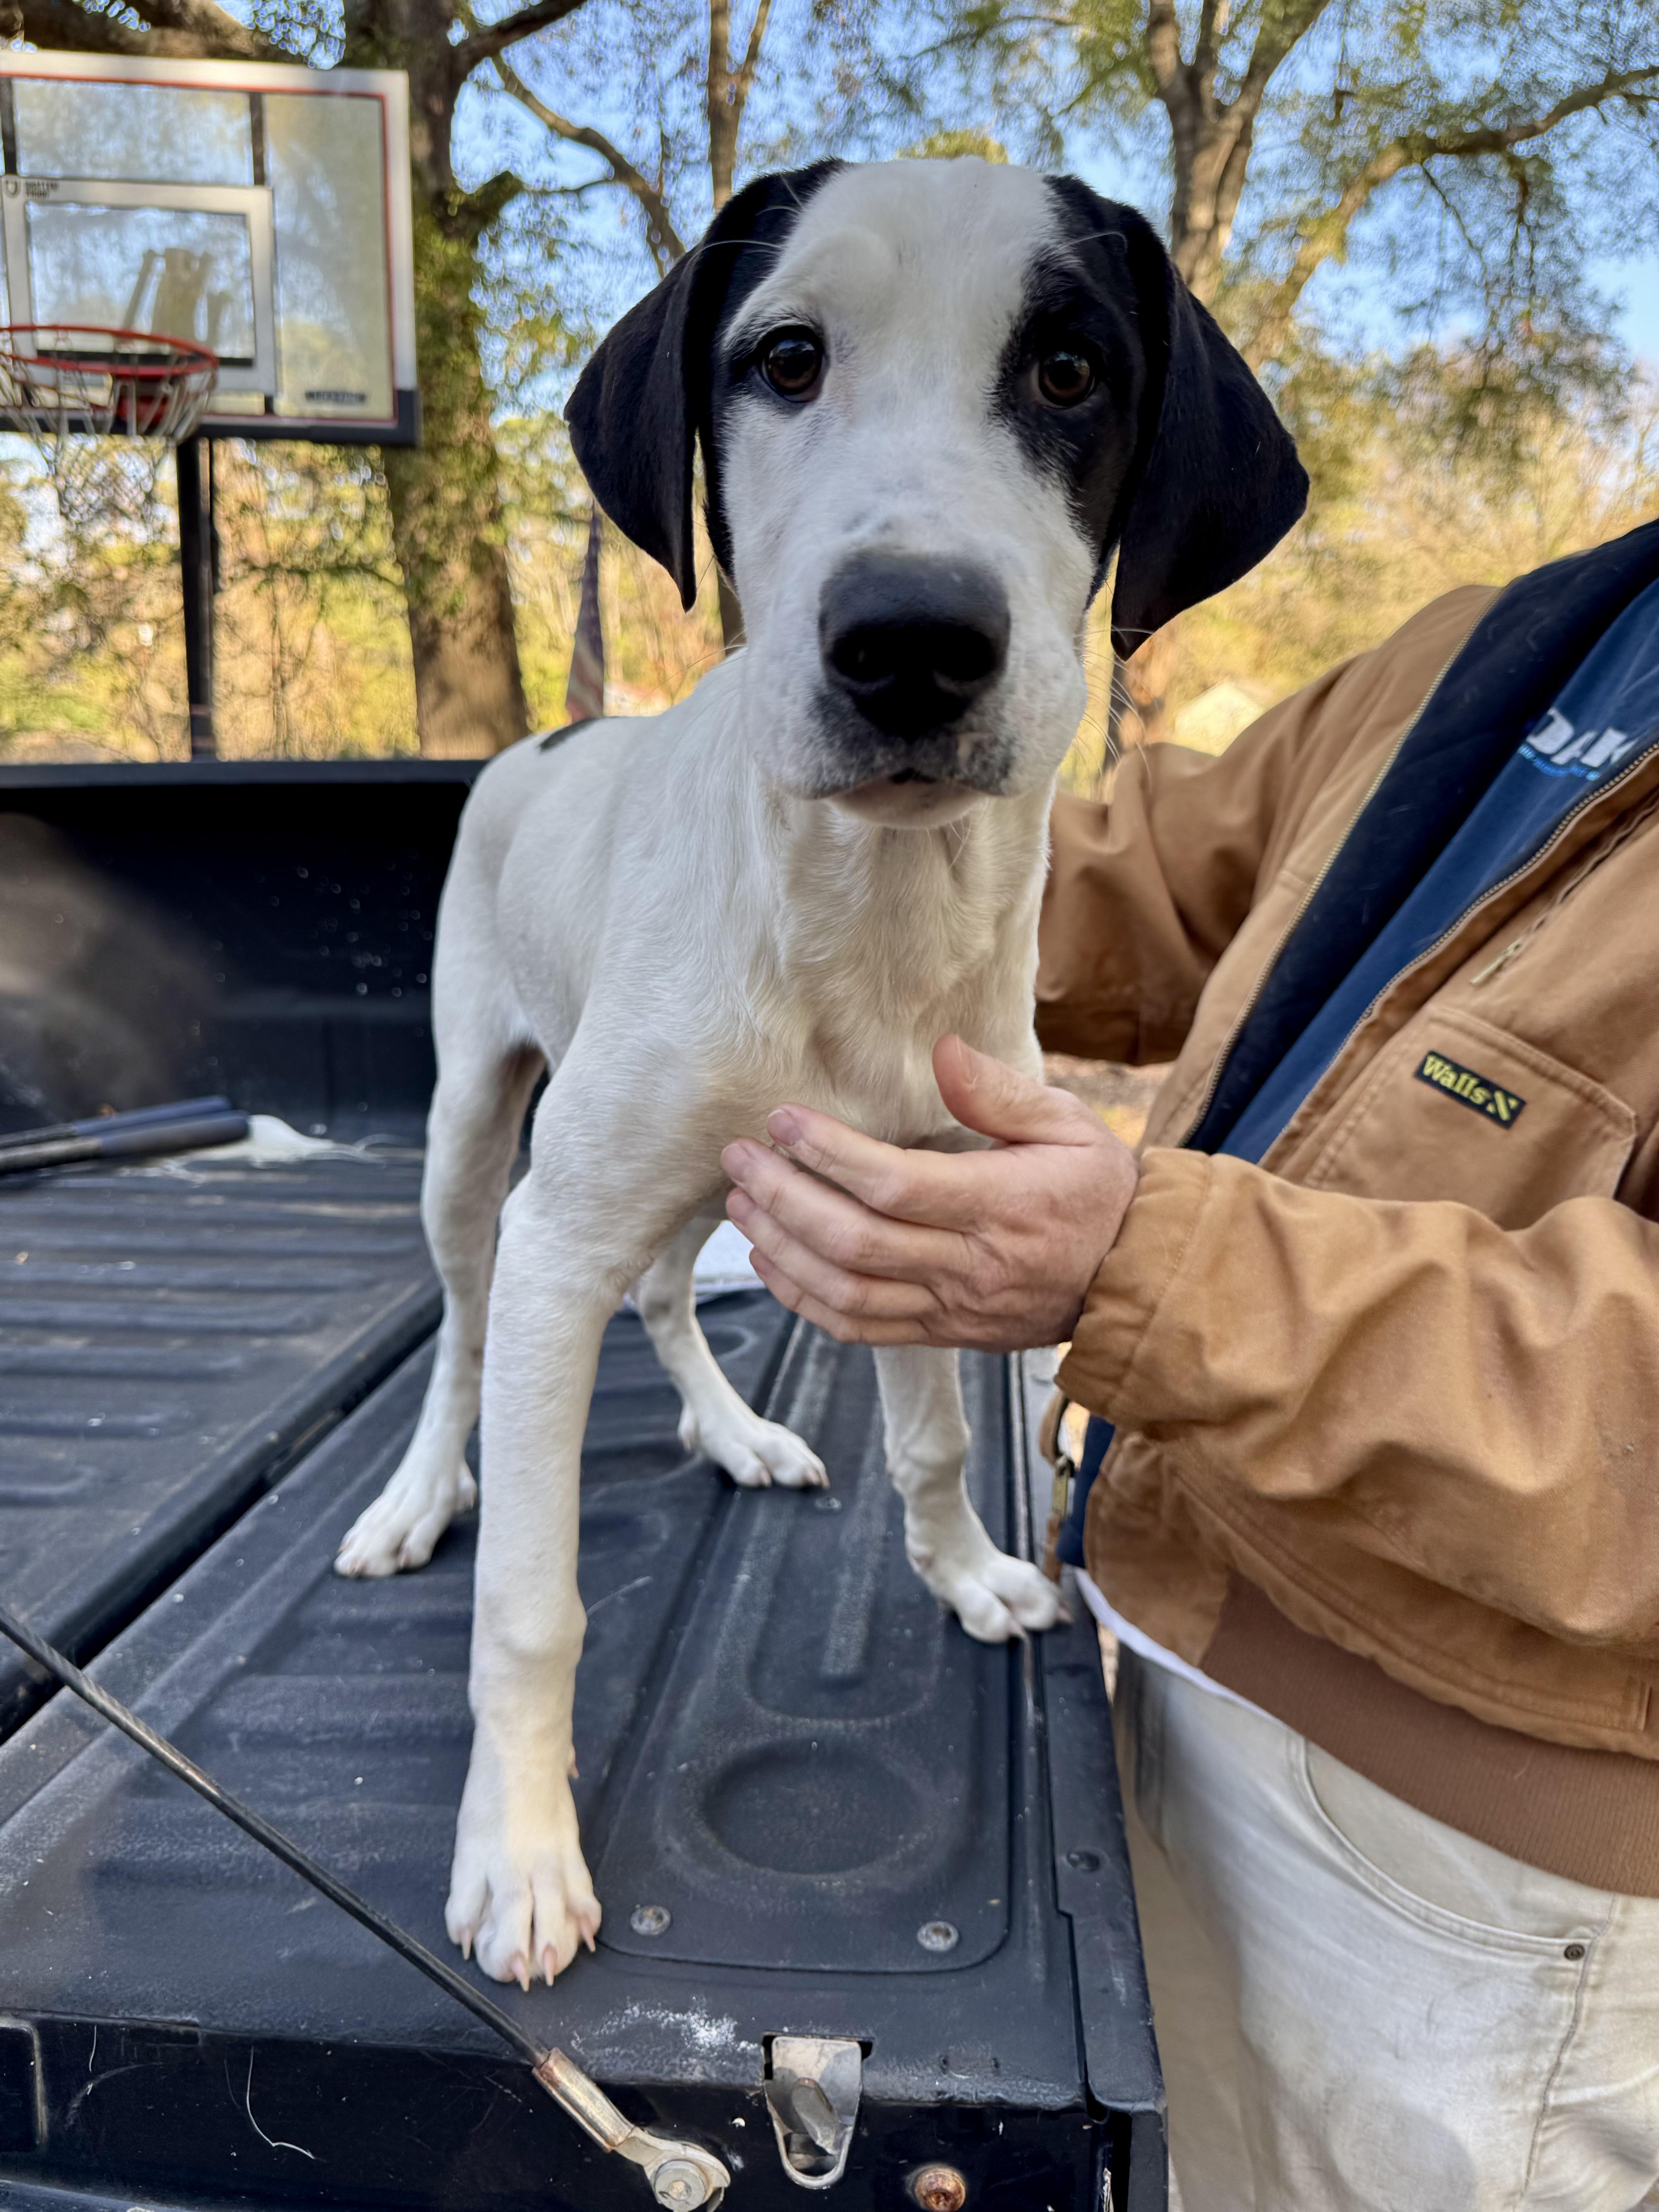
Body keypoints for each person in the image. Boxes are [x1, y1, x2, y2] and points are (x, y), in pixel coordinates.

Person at [722, 517, 1659, 2212]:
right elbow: (1155, 872)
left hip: (1491, 1900)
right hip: (1177, 1643)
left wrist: (1154, 1265)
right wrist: (697, 824)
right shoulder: (1550, 628)